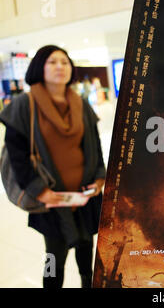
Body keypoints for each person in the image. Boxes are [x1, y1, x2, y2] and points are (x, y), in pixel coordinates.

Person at [0, 45, 106, 288]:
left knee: (86, 249)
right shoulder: (24, 105)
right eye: (52, 62)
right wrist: (40, 191)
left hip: (84, 196)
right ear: (39, 67)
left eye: (65, 62)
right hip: (51, 202)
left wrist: (100, 178)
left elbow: (95, 145)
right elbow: (17, 156)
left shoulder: (80, 104)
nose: (60, 66)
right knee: (53, 258)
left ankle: (87, 282)